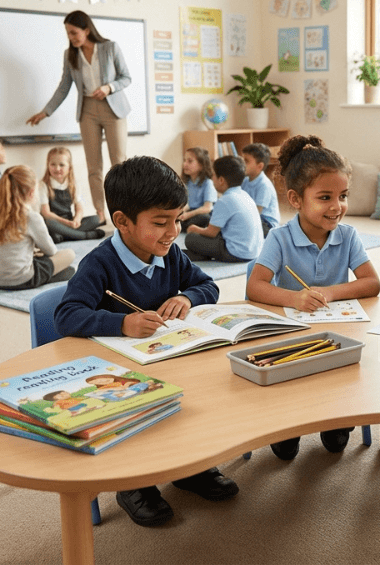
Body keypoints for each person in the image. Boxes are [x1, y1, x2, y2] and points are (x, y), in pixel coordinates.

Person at [53, 155, 237, 528]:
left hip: (165, 357)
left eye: (178, 219)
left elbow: (208, 285)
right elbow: (66, 315)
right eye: (160, 222)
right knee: (135, 411)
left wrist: (187, 298)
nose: (173, 231)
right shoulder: (99, 264)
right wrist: (122, 322)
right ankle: (134, 484)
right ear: (122, 221)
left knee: (201, 392)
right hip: (116, 373)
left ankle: (189, 467)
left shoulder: (170, 255)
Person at [246, 135, 380, 459]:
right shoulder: (279, 237)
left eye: (343, 196)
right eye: (325, 197)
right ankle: (288, 424)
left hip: (336, 335)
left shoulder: (347, 235)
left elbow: (372, 283)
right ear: (295, 198)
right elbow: (255, 286)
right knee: (290, 388)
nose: (337, 206)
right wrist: (293, 298)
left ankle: (336, 422)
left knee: (339, 382)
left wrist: (331, 292)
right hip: (291, 335)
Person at [26, 10, 131, 224]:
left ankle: (124, 213)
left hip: (113, 108)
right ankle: (101, 214)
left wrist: (109, 87)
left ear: (86, 30)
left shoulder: (110, 48)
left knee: (119, 165)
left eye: (74, 32)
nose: (71, 37)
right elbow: (64, 86)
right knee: (94, 166)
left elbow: (126, 77)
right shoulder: (70, 54)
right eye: (68, 33)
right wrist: (45, 112)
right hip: (88, 110)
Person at [0, 165, 76, 290]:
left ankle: (46, 274)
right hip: (18, 279)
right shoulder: (31, 216)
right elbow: (51, 251)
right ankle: (44, 277)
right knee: (69, 255)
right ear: (31, 192)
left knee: (52, 264)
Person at [184, 155, 263, 263]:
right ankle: (201, 254)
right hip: (253, 252)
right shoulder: (244, 195)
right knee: (205, 225)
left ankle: (200, 255)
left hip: (235, 253)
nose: (211, 178)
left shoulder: (225, 200)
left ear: (221, 180)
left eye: (213, 175)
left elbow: (211, 233)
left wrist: (194, 229)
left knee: (190, 239)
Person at [38, 146, 106, 242]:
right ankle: (84, 236)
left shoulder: (72, 184)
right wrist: (67, 223)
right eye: (53, 164)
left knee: (96, 219)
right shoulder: (43, 185)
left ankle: (64, 235)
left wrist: (76, 220)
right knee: (48, 223)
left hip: (69, 222)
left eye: (62, 165)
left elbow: (79, 208)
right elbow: (46, 213)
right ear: (48, 165)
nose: (57, 168)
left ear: (69, 167)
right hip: (55, 222)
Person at [241, 142, 280, 237]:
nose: (242, 164)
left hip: (266, 223)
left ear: (260, 166)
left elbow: (257, 213)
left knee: (240, 228)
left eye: (246, 161)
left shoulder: (264, 185)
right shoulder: (245, 181)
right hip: (252, 217)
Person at [179, 146, 216, 230]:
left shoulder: (208, 183)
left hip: (200, 213)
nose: (185, 164)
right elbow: (185, 204)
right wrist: (182, 212)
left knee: (204, 218)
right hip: (188, 212)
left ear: (202, 165)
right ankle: (186, 227)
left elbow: (207, 208)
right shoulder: (185, 182)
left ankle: (186, 227)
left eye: (190, 161)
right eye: (184, 160)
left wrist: (188, 215)